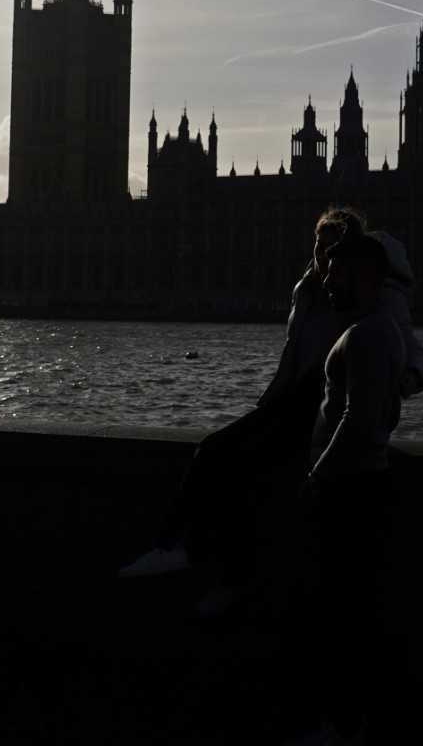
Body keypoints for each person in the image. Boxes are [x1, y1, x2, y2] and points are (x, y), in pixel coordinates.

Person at [119, 207, 365, 595]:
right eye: (318, 243)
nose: (322, 253)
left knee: (238, 467)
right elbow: (291, 354)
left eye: (331, 246)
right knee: (213, 451)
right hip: (289, 401)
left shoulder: (359, 297)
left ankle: (201, 564)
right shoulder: (305, 290)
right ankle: (173, 548)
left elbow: (397, 350)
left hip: (318, 409)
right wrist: (266, 402)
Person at [299, 227, 412, 744]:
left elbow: (360, 420)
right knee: (351, 612)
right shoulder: (378, 328)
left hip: (352, 491)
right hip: (359, 486)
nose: (327, 281)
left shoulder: (368, 333)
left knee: (343, 615)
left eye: (335, 273)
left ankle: (342, 725)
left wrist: (319, 476)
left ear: (364, 277)